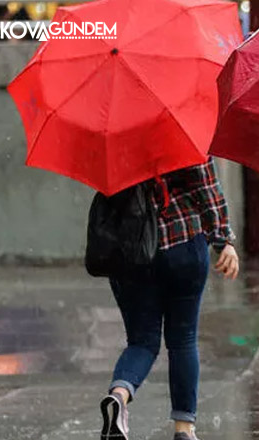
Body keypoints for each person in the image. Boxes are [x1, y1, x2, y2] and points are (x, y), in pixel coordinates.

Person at [99, 158, 240, 440]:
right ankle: (184, 429)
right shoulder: (180, 127)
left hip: (133, 251)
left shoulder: (111, 135)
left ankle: (119, 396)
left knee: (141, 341)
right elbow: (206, 186)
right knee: (182, 339)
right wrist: (222, 239)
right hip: (182, 243)